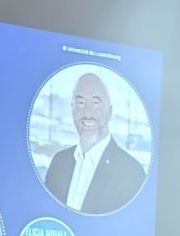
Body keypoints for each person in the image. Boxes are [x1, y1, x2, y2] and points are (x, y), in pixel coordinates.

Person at [41, 71, 147, 215]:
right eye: (81, 103)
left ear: (110, 112)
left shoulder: (131, 172)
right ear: (72, 109)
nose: (88, 113)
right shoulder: (58, 163)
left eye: (96, 103)